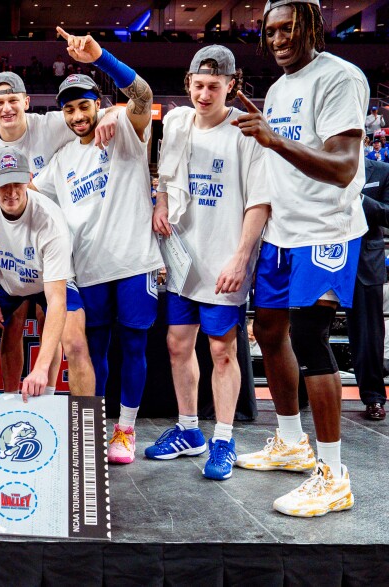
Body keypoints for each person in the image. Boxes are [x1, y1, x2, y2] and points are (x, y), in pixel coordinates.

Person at [234, 0, 368, 517]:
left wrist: (271, 137)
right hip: (283, 230)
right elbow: (285, 153)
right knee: (268, 330)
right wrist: (269, 132)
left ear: (313, 26)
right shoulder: (280, 87)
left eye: (289, 28)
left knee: (310, 336)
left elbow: (341, 166)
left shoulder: (341, 78)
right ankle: (291, 441)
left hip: (325, 228)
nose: (279, 39)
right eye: (271, 31)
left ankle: (334, 475)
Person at [33, 29, 164, 464]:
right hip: (87, 270)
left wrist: (101, 58)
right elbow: (25, 197)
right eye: (69, 109)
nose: (77, 116)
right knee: (95, 352)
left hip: (132, 262)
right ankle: (93, 427)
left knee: (134, 348)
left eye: (84, 106)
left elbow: (142, 94)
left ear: (98, 105)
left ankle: (124, 430)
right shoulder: (62, 160)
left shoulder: (125, 127)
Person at [146, 46, 271, 480]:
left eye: (214, 87)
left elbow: (259, 201)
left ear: (231, 86)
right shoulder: (178, 121)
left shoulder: (245, 132)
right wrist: (160, 203)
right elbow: (164, 173)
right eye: (197, 85)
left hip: (224, 260)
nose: (203, 94)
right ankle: (188, 431)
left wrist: (241, 258)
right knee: (177, 345)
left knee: (221, 352)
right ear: (188, 82)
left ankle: (223, 437)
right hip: (183, 258)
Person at [0, 70, 75, 395]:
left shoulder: (48, 126)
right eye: (0, 101)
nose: (8, 107)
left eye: (14, 100)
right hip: (9, 270)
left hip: (45, 262)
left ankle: (47, 399)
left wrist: (39, 367)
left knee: (60, 333)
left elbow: (56, 301)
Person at [346, 157, 389, 420]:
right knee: (310, 329)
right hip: (323, 255)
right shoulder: (317, 163)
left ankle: (374, 398)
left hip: (365, 259)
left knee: (369, 335)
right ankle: (303, 393)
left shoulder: (382, 171)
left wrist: (360, 199)